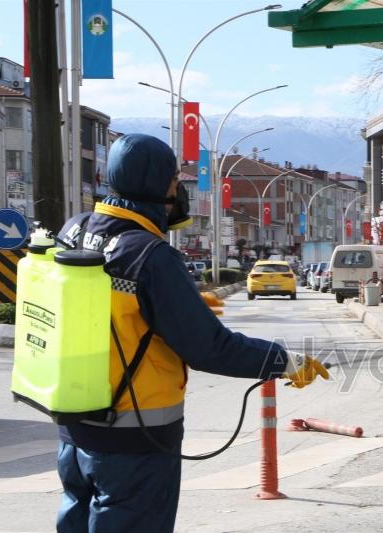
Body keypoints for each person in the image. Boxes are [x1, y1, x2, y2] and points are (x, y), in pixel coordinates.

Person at [54, 134, 329, 532]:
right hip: (135, 435)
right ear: (157, 186)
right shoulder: (149, 253)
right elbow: (208, 348)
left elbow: (103, 308)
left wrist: (176, 305)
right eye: (173, 183)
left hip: (75, 424)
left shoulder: (74, 231)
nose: (177, 193)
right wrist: (283, 360)